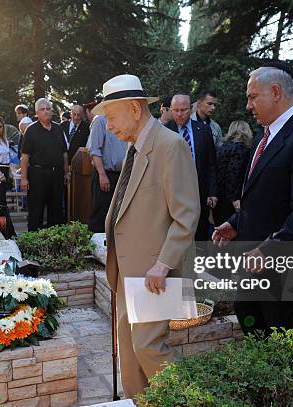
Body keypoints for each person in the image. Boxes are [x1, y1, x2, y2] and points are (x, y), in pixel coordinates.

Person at [92, 74, 200, 398]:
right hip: (129, 273)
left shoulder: (171, 146)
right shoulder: (135, 148)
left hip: (155, 275)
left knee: (149, 349)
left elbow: (186, 215)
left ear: (135, 109)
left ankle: (190, 400)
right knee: (130, 356)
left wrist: (163, 265)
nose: (109, 127)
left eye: (111, 118)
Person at [213, 66, 293, 335]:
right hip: (254, 264)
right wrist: (236, 222)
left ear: (276, 92)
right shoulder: (264, 135)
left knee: (283, 348)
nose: (248, 105)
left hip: (287, 273)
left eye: (253, 97)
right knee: (254, 331)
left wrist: (268, 250)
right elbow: (261, 195)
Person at [166, 94, 218, 241]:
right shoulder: (163, 131)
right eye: (175, 110)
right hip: (173, 192)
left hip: (199, 191)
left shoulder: (204, 130)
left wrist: (212, 191)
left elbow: (211, 163)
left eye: (183, 110)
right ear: (170, 109)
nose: (179, 114)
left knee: (199, 232)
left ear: (191, 109)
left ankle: (197, 262)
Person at [20, 98, 69, 231]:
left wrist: (66, 172)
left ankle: (56, 244)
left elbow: (64, 153)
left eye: (48, 109)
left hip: (56, 175)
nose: (46, 111)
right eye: (42, 109)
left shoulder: (58, 129)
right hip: (37, 175)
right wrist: (23, 178)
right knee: (36, 210)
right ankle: (33, 244)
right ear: (37, 113)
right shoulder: (31, 130)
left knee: (56, 211)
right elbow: (25, 157)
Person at [88, 113, 127, 232]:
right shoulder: (100, 120)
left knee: (120, 216)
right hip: (105, 174)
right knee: (101, 214)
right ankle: (97, 248)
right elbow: (94, 150)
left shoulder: (126, 119)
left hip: (123, 175)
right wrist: (102, 175)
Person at [212, 120, 252, 226]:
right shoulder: (240, 148)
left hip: (219, 196)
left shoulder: (222, 148)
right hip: (232, 200)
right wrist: (235, 198)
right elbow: (233, 173)